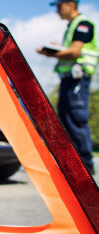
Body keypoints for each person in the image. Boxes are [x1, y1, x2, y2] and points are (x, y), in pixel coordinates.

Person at [38, 0, 98, 174]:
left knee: (76, 118)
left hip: (77, 80)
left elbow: (75, 52)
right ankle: (72, 164)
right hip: (69, 80)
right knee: (65, 119)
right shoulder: (72, 26)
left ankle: (85, 166)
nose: (57, 10)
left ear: (71, 4)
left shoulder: (83, 24)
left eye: (59, 6)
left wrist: (50, 52)